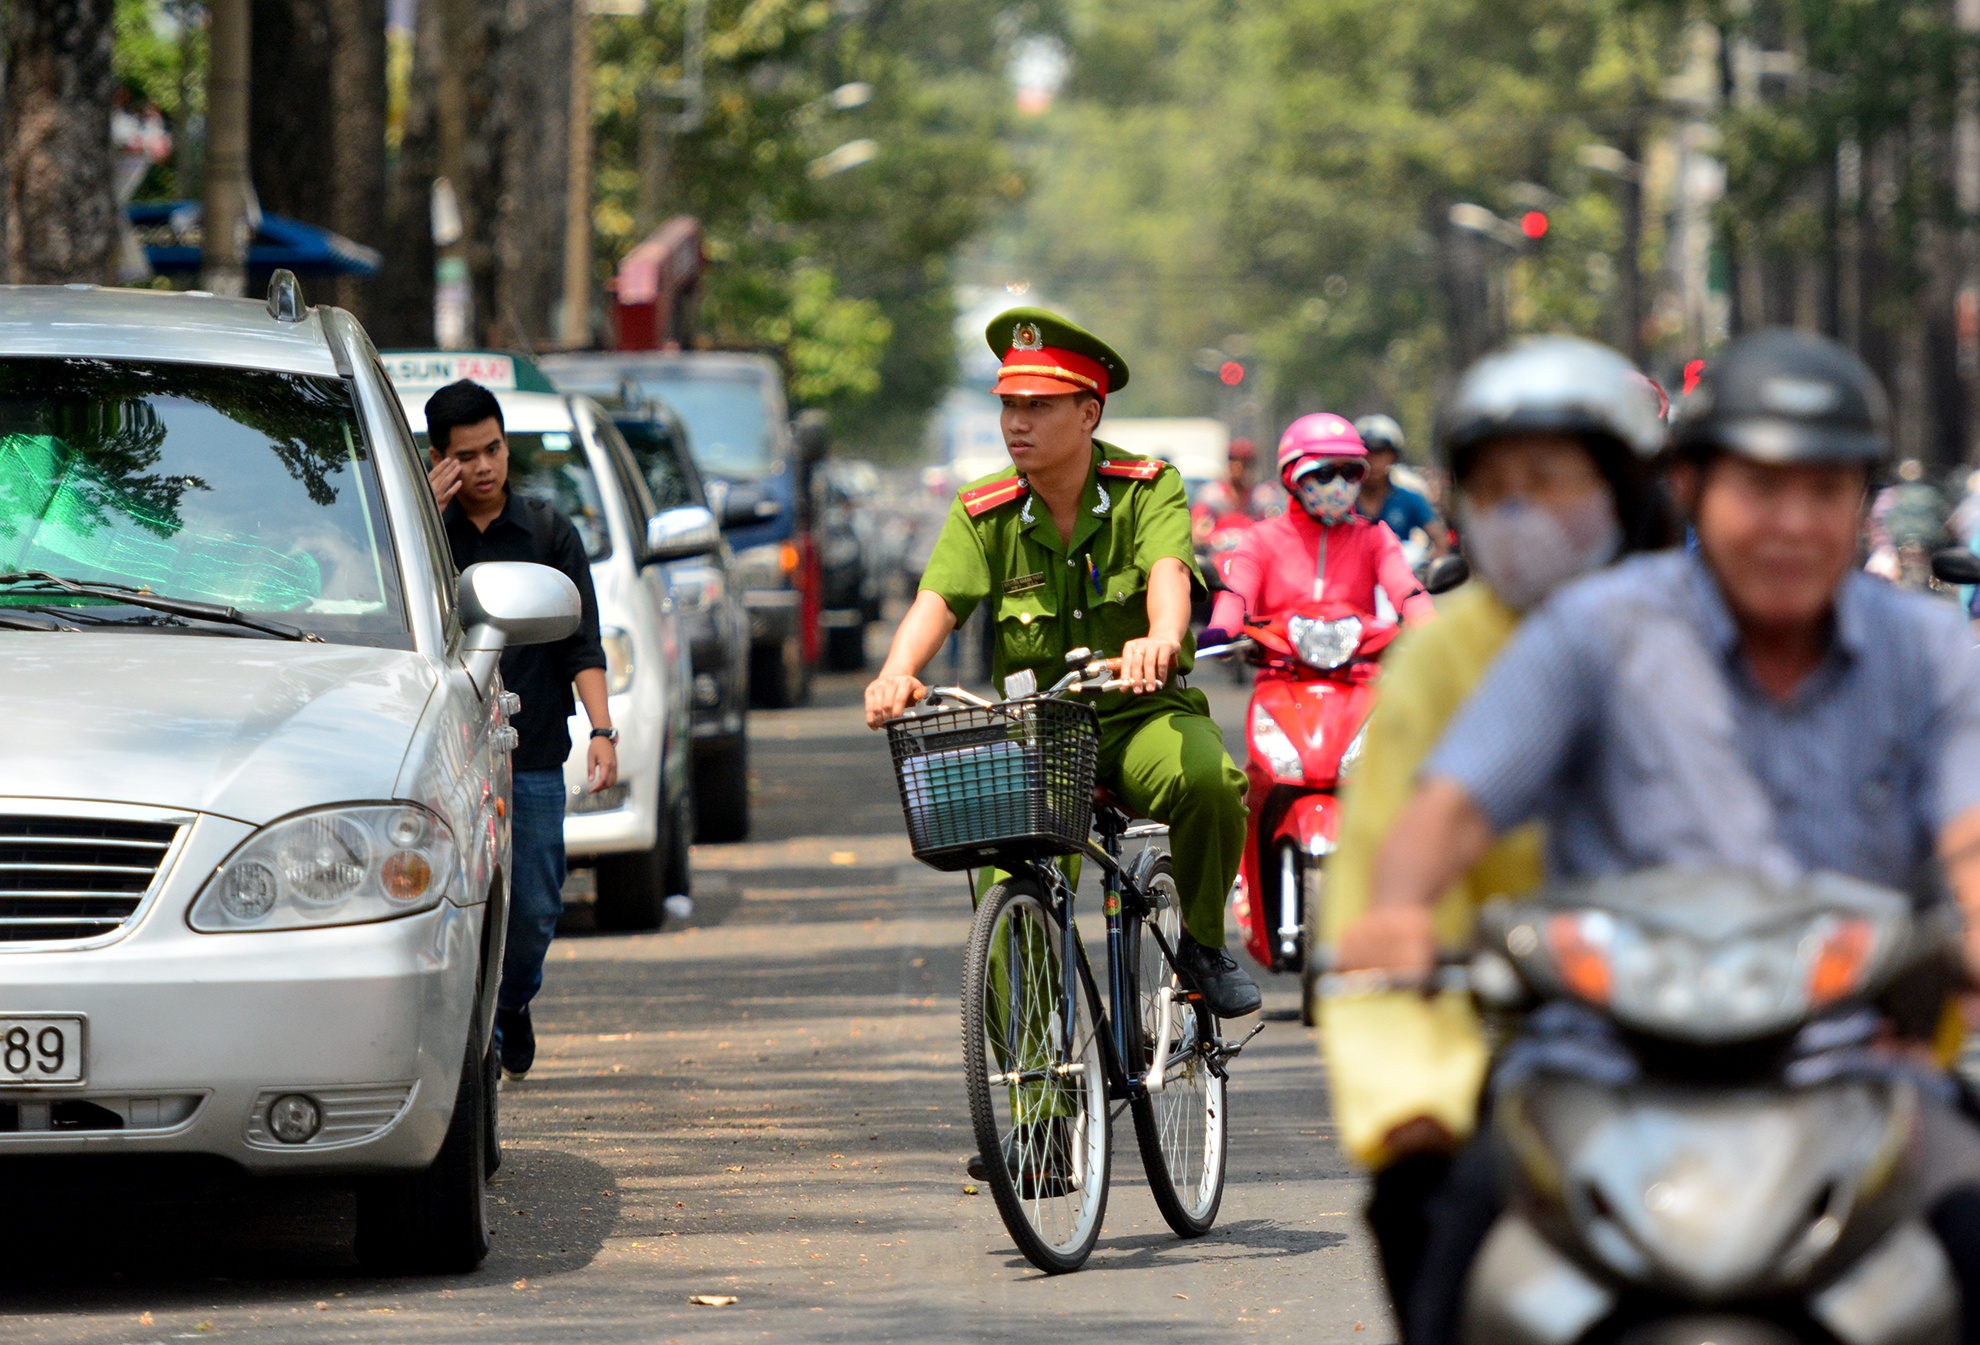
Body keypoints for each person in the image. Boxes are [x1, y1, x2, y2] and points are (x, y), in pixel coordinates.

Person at [1343, 328, 1980, 1345]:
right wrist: (1397, 911)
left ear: (1862, 501)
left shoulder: (1931, 652)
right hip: (1594, 1064)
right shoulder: (1593, 631)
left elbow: (1970, 835)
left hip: (1856, 1072)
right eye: (1758, 489)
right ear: (1688, 485)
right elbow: (1451, 806)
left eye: (1823, 491)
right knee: (1451, 1260)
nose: (1791, 524)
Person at [1314, 337, 1672, 1328]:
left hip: (1737, 1046)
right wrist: (1415, 1104)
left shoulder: (1722, 629)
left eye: (1552, 480)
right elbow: (1380, 894)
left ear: (1628, 488)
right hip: (1515, 1066)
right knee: (1432, 1233)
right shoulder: (1441, 666)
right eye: (1497, 486)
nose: (1522, 513)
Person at [864, 306, 1260, 1019]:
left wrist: (1161, 638)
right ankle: (1040, 1097)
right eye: (1010, 406)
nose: (1018, 423)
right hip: (1038, 733)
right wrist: (897, 670)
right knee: (1011, 895)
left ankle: (1203, 943)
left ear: (1088, 412)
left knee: (1212, 782)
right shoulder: (982, 511)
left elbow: (1169, 569)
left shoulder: (1149, 487)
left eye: (1039, 407)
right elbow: (938, 600)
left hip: (1141, 715)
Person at [425, 379, 617, 1079]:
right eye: (465, 455)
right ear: (439, 458)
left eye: (494, 448)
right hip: (445, 755)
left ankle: (511, 1003)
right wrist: (421, 509)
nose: (483, 467)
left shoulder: (546, 531)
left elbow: (582, 643)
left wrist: (603, 731)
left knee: (535, 906)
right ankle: (474, 1031)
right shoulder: (417, 531)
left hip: (530, 755)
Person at [1204, 413, 1436, 641]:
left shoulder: (1375, 536)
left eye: (1350, 473)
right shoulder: (1260, 539)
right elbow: (1236, 596)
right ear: (1292, 477)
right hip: (1279, 670)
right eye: (1324, 473)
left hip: (1357, 672)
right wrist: (1222, 629)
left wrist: (1428, 624)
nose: (1339, 484)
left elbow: (1407, 590)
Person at [1352, 413, 1437, 544]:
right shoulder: (1343, 501)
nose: (1372, 462)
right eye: (1366, 454)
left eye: (1380, 453)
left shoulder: (1409, 499)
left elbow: (1439, 538)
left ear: (1394, 457)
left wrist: (1434, 562)